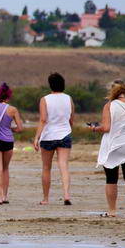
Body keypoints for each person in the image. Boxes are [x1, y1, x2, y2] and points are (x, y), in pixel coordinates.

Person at [89, 80, 125, 218]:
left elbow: (106, 128)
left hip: (115, 145)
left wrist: (94, 128)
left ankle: (112, 211)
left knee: (111, 178)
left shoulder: (109, 105)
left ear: (112, 91)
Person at [33, 72, 75, 205]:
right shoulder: (69, 99)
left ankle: (46, 199)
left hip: (48, 136)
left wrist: (36, 137)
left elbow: (43, 119)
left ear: (50, 85)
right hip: (64, 134)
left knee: (46, 168)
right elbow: (71, 119)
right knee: (64, 165)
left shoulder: (45, 99)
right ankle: (66, 195)